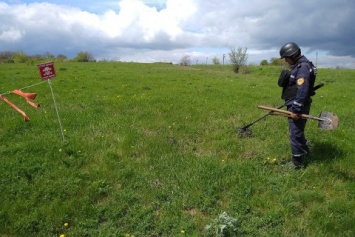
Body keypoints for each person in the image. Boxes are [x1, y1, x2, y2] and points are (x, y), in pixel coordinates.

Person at [278, 42, 317, 169]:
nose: (285, 61)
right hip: (295, 102)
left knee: (295, 132)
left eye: (286, 58)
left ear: (293, 55)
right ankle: (304, 151)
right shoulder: (300, 65)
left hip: (298, 104)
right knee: (298, 130)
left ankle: (297, 162)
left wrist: (296, 109)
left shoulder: (303, 67)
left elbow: (302, 90)